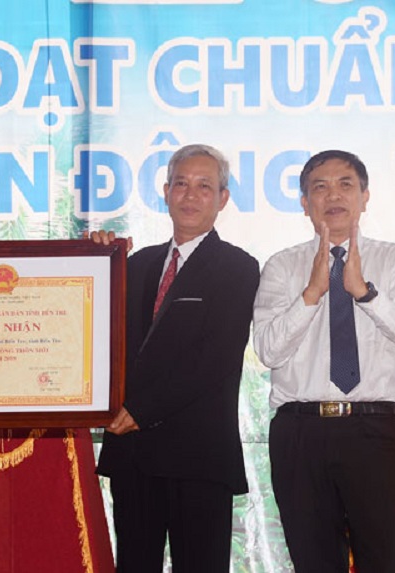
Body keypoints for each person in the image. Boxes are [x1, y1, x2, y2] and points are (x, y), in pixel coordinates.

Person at [252, 150, 395, 573]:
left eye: (345, 185)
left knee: (390, 562)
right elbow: (268, 350)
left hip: (372, 429)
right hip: (300, 432)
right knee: (314, 563)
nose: (333, 195)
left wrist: (365, 293)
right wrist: (312, 293)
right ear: (305, 203)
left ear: (365, 197)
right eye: (320, 187)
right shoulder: (281, 266)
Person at [92, 144, 260, 573]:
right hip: (134, 456)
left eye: (204, 186)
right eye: (181, 183)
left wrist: (140, 411)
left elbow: (214, 359)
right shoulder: (134, 264)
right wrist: (93, 260)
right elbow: (94, 332)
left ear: (223, 198)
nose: (190, 195)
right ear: (166, 192)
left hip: (198, 457)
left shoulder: (238, 268)